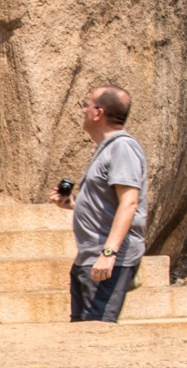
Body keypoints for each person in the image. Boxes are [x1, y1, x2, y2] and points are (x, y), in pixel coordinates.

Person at [50, 85, 147, 323]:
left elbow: (129, 202)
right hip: (90, 257)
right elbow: (109, 202)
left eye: (87, 104)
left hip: (106, 260)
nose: (83, 109)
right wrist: (73, 204)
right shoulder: (107, 149)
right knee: (83, 329)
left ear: (98, 113)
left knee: (97, 329)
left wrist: (108, 253)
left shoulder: (122, 147)